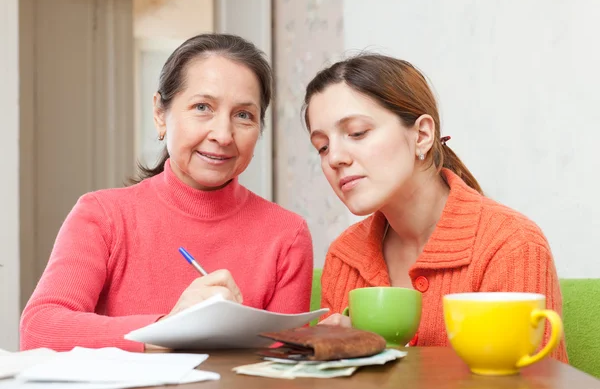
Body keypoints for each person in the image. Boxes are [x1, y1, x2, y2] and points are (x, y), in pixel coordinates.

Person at [20, 33, 313, 352]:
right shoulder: (102, 215)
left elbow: (287, 365)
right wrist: (170, 329)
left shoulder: (287, 235)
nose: (223, 135)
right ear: (161, 113)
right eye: (202, 107)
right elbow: (39, 330)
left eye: (243, 115)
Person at [303, 54, 567, 362]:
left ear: (422, 135)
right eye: (322, 146)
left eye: (358, 132)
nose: (334, 157)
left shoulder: (511, 245)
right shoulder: (345, 257)